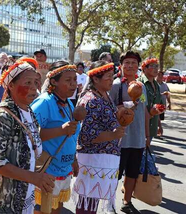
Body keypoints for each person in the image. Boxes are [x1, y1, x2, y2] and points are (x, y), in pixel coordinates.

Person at [0, 57, 54, 213]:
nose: (34, 88)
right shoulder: (2, 116)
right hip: (5, 201)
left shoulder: (28, 111)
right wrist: (33, 177)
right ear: (11, 85)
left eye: (35, 82)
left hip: (26, 194)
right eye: (27, 83)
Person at [72, 61, 125, 214]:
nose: (111, 79)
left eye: (112, 76)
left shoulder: (105, 96)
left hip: (104, 159)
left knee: (91, 204)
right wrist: (113, 135)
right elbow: (86, 136)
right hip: (93, 159)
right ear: (96, 79)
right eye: (108, 77)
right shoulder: (91, 100)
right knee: (87, 204)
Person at [31, 60, 80, 214]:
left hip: (64, 169)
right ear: (54, 81)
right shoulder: (44, 103)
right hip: (46, 170)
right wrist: (61, 130)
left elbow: (71, 137)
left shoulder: (69, 104)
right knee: (42, 209)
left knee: (57, 208)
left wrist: (74, 160)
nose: (73, 84)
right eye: (68, 80)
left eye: (75, 80)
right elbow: (30, 135)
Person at [109, 51, 150, 214]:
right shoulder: (116, 85)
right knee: (115, 173)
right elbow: (108, 108)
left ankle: (127, 201)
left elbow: (145, 111)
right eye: (127, 62)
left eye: (134, 62)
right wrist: (122, 108)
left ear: (138, 66)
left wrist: (147, 135)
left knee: (132, 172)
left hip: (138, 137)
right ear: (121, 66)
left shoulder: (142, 87)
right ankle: (110, 203)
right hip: (120, 138)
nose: (130, 66)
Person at [138, 58, 163, 142]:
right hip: (141, 128)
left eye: (157, 66)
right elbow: (142, 103)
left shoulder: (157, 86)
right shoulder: (139, 84)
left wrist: (159, 125)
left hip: (152, 127)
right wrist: (147, 135)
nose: (156, 69)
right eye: (152, 66)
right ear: (144, 68)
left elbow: (157, 107)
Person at [156, 71, 171, 137]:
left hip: (162, 105)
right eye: (159, 75)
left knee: (159, 119)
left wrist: (169, 103)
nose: (160, 77)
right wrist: (162, 94)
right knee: (156, 117)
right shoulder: (154, 84)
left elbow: (168, 94)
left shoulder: (164, 85)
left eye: (161, 75)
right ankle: (158, 130)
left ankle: (157, 130)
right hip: (155, 105)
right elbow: (153, 95)